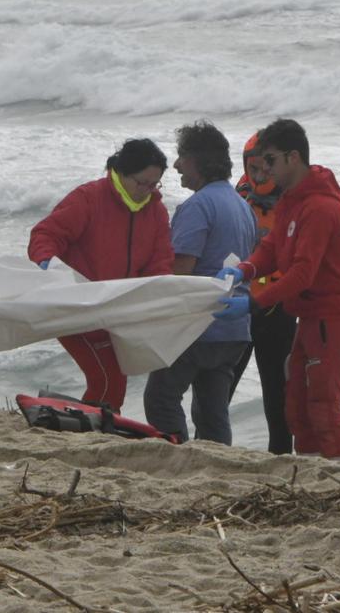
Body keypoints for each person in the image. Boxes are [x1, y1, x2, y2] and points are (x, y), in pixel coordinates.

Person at [214, 119, 340, 459]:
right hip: (308, 316)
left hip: (332, 316)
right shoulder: (291, 200)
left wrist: (252, 303)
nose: (264, 170)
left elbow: (302, 273)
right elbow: (274, 247)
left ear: (292, 158)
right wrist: (245, 269)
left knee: (324, 406)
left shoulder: (321, 208)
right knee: (296, 406)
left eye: (270, 160)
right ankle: (310, 473)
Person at [28, 138, 174, 412]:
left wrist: (159, 297)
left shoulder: (156, 212)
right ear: (121, 172)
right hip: (75, 307)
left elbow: (160, 263)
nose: (146, 191)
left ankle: (91, 425)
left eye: (153, 184)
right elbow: (46, 234)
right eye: (141, 182)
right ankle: (96, 432)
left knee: (113, 380)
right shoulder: (89, 198)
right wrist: (47, 263)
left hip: (116, 313)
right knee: (108, 378)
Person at [142, 122, 257, 444]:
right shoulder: (241, 205)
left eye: (181, 157)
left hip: (198, 328)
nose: (176, 165)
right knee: (212, 411)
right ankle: (216, 463)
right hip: (234, 328)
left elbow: (182, 275)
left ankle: (176, 459)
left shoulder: (198, 206)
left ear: (199, 160)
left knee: (161, 399)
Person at [228, 132, 299, 454]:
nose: (258, 177)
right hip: (239, 308)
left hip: (279, 310)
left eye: (266, 170)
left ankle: (281, 460)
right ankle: (211, 451)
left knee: (280, 397)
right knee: (219, 391)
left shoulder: (300, 201)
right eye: (252, 168)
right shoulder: (237, 196)